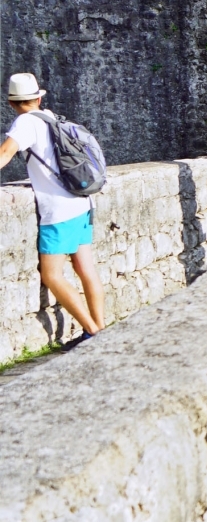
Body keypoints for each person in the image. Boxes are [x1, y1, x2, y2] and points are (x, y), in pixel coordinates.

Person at [0, 73, 105, 340]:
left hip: (58, 211)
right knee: (86, 270)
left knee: (51, 275)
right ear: (37, 97)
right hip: (82, 202)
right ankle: (101, 329)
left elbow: (5, 153)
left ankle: (92, 333)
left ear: (12, 103)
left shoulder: (25, 122)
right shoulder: (50, 117)